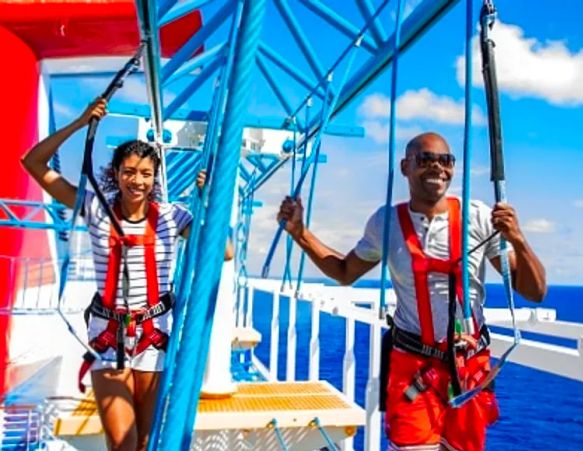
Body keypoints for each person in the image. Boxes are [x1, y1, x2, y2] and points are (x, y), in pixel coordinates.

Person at [277, 132, 546, 451]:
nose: (437, 168)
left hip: (468, 369)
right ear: (405, 167)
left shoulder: (476, 217)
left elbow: (535, 291)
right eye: (425, 159)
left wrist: (518, 239)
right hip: (414, 370)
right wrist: (300, 233)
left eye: (445, 161)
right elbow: (345, 271)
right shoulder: (386, 224)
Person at [22, 98, 234, 451]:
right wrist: (80, 121)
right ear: (117, 173)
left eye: (146, 173)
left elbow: (223, 253)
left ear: (154, 179)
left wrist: (207, 200)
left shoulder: (172, 216)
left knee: (146, 442)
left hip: (154, 335)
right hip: (109, 336)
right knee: (122, 442)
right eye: (130, 172)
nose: (137, 180)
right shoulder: (94, 207)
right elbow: (33, 162)